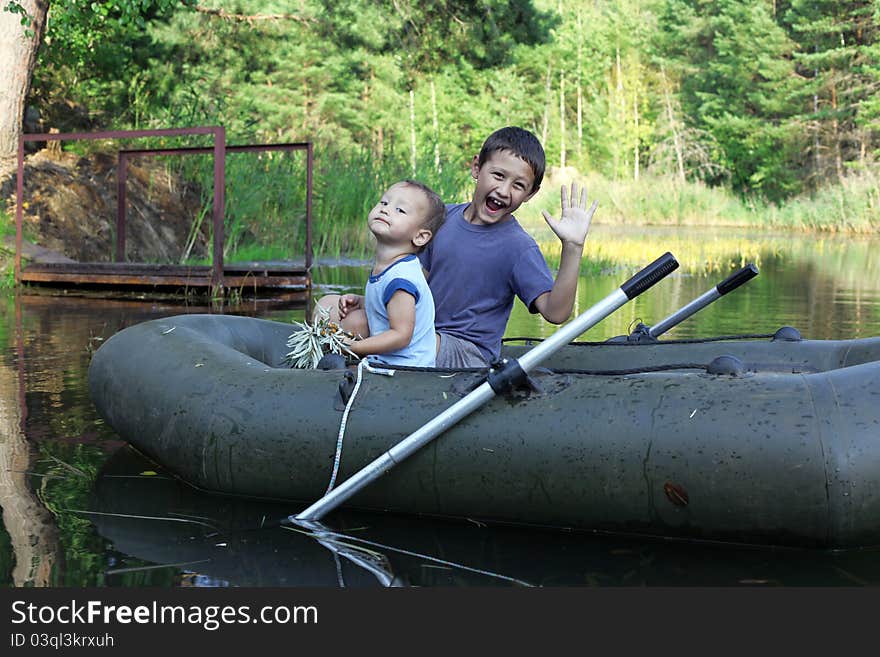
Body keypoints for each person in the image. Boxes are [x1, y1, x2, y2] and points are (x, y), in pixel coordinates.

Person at [321, 126, 598, 369]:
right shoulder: (443, 220)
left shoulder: (518, 247)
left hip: (465, 352)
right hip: (421, 329)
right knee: (329, 308)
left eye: (518, 185)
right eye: (498, 175)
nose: (503, 190)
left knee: (356, 327)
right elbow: (415, 284)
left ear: (530, 194)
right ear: (477, 168)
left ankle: (361, 372)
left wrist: (572, 247)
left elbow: (556, 312)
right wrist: (373, 300)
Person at [319, 179, 446, 367]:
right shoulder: (391, 266)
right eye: (384, 203)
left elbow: (401, 335)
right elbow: (388, 306)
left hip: (406, 370)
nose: (385, 209)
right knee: (326, 305)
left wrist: (353, 346)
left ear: (420, 236)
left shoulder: (401, 278)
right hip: (388, 362)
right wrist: (361, 300)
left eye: (400, 210)